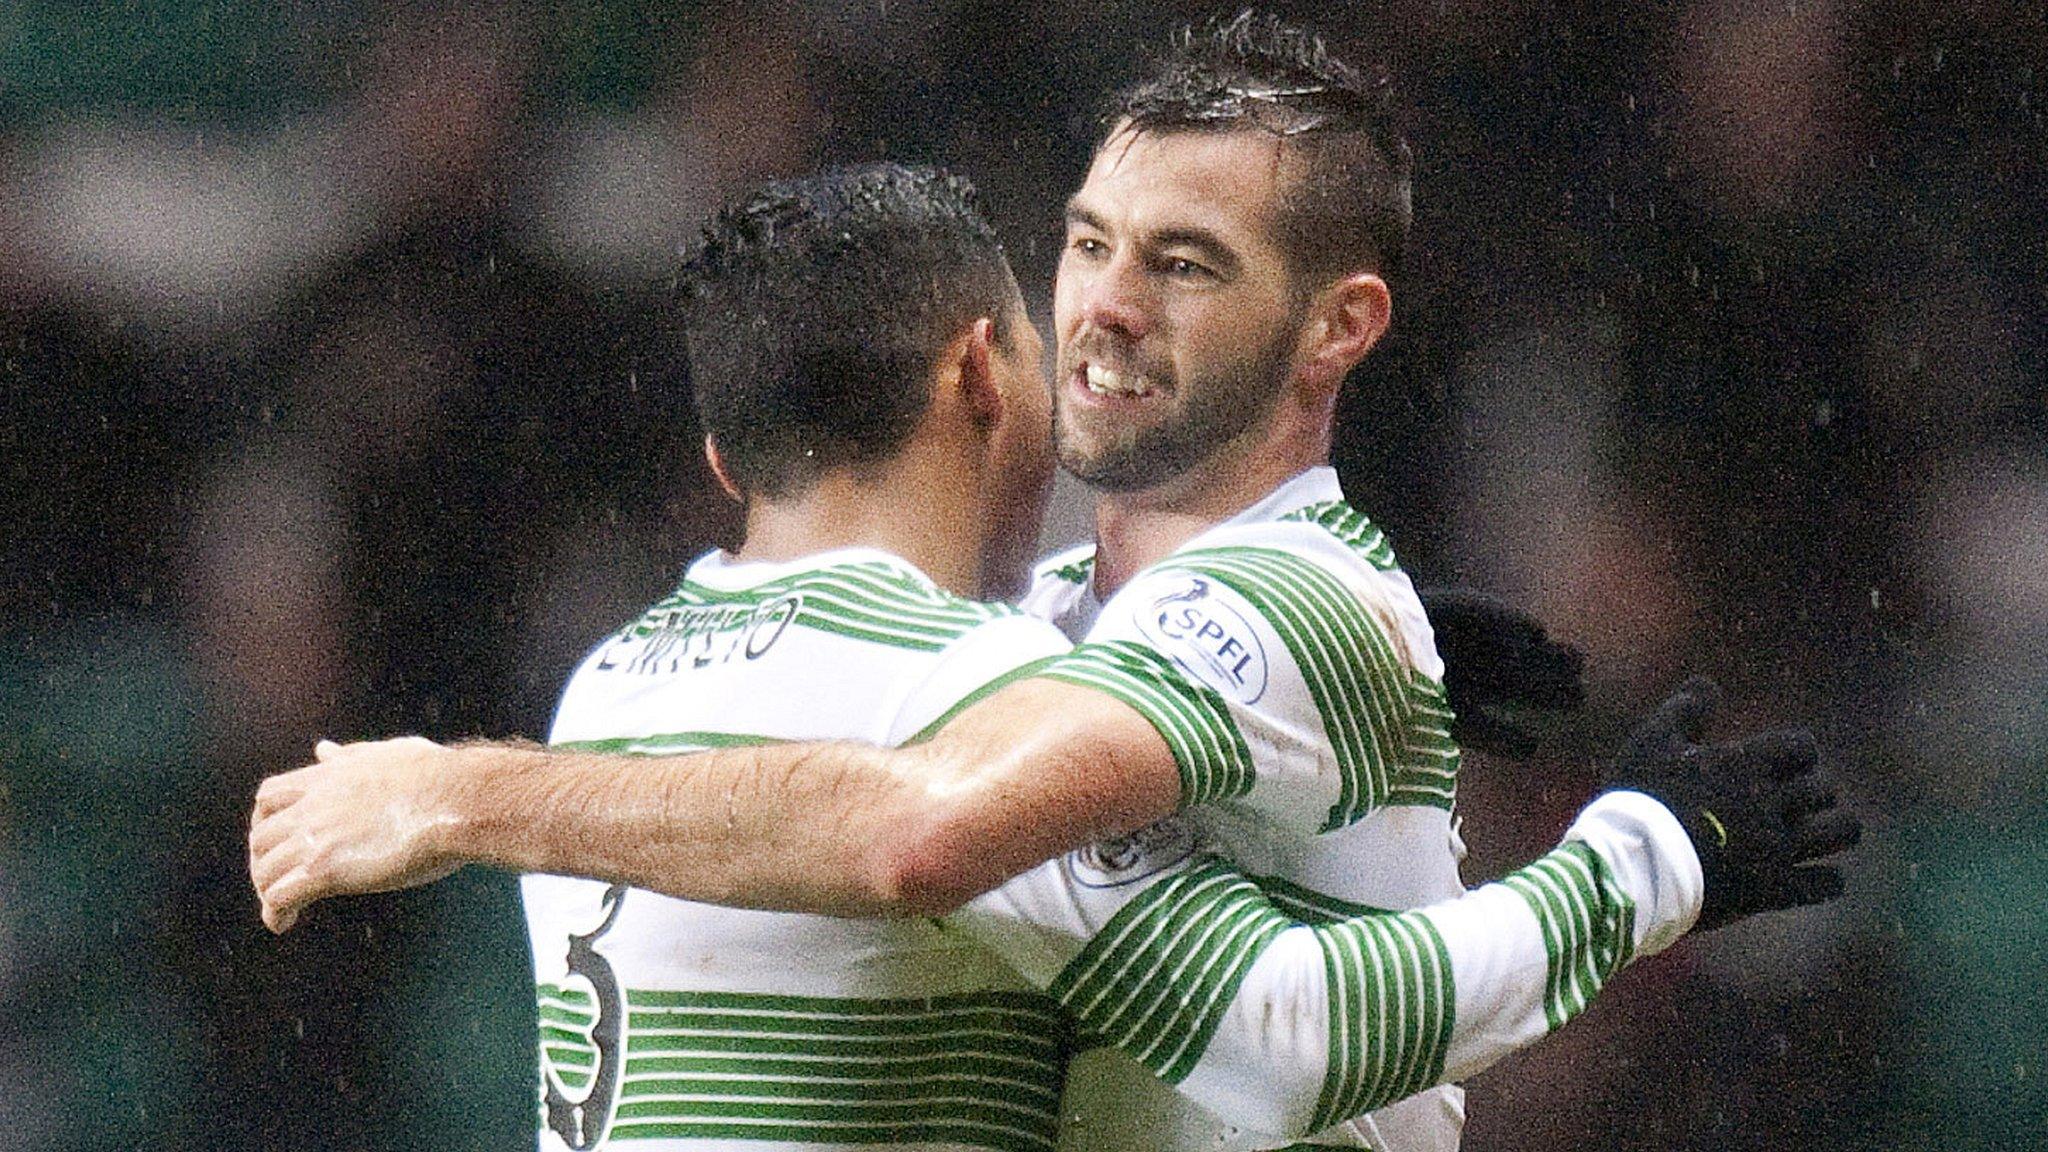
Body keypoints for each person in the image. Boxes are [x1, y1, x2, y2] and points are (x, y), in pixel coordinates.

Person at [249, 13, 1859, 1152]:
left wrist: (1360, 638)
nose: (1102, 314)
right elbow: (1272, 1025)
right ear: (982, 376)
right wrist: (1651, 856)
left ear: (732, 461)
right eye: (1082, 253)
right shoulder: (965, 703)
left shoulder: (609, 680)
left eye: (1182, 260)